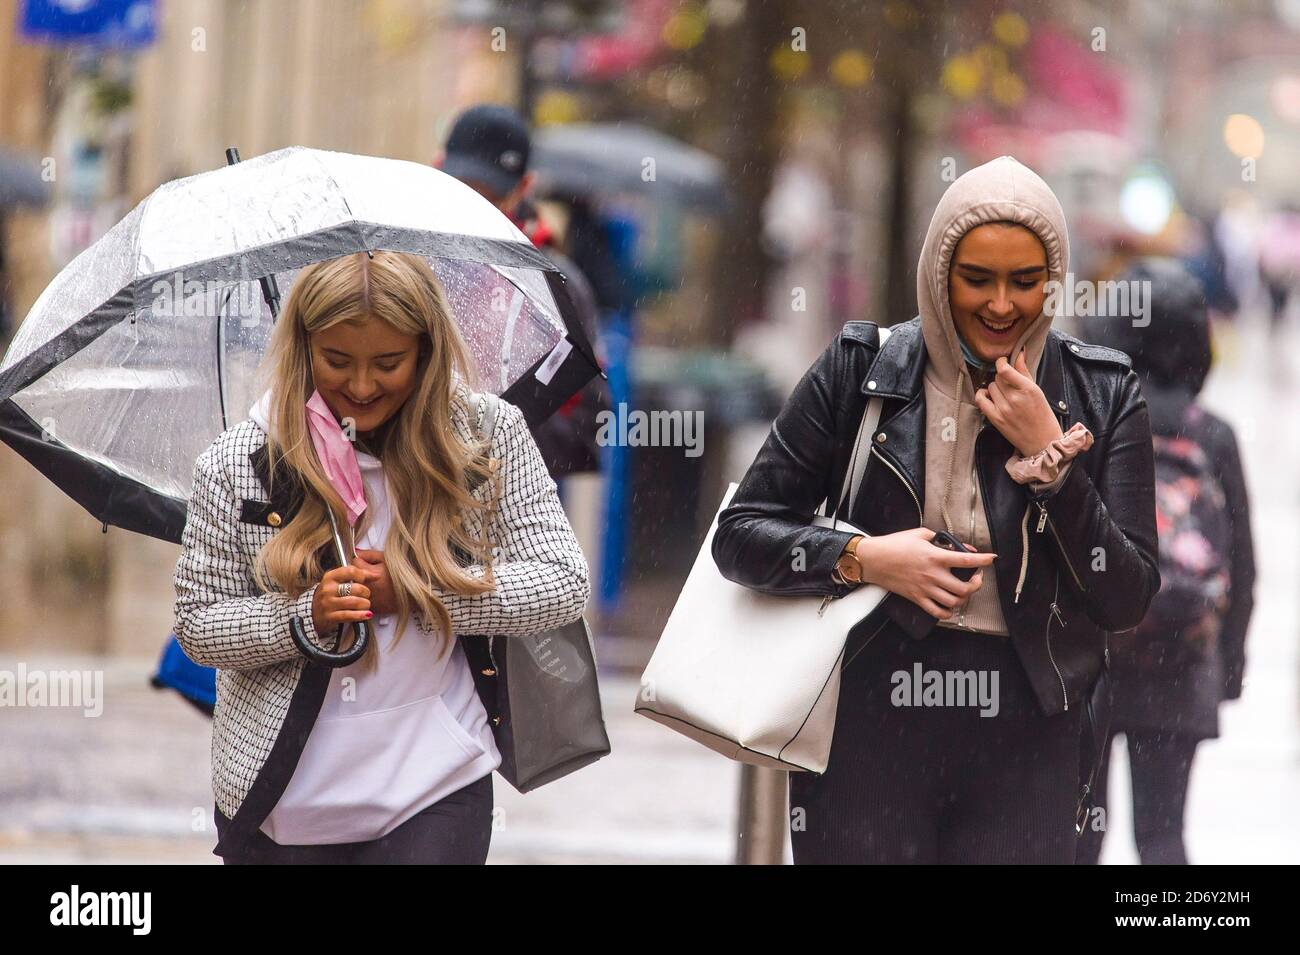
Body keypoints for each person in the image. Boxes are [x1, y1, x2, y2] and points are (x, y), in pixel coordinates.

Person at [712, 156, 1160, 864]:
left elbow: (1126, 595)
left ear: (1054, 280)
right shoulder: (863, 369)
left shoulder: (1102, 391)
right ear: (938, 272)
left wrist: (1053, 461)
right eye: (976, 278)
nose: (1002, 304)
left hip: (1031, 731)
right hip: (867, 719)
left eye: (1025, 281)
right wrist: (867, 559)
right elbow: (741, 536)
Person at [173, 251, 590, 864]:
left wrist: (421, 590)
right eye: (337, 361)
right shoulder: (240, 462)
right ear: (303, 346)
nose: (363, 386)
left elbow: (562, 583)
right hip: (281, 803)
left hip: (435, 785)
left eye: (388, 363)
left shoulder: (485, 435)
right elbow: (199, 628)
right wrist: (303, 619)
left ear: (425, 352)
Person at [1075, 258, 1255, 865]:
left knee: (1080, 837)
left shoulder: (1091, 420)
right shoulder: (1214, 435)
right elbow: (1244, 564)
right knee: (1162, 837)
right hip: (1181, 664)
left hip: (1092, 662)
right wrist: (1228, 666)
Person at [436, 103, 610, 482]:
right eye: (463, 189)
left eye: (492, 196)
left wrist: (488, 442)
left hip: (510, 509)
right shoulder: (403, 267)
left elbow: (588, 426)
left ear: (524, 189)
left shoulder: (557, 287)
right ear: (437, 168)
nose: (475, 207)